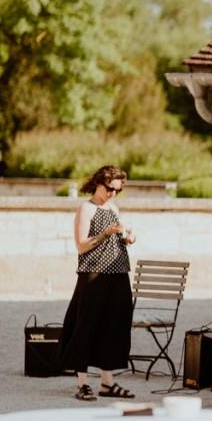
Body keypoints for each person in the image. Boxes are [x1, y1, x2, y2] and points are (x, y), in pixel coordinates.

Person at [60, 165, 137, 402]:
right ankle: (82, 383)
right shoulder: (86, 208)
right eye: (110, 189)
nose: (113, 194)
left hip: (118, 272)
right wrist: (105, 233)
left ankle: (107, 382)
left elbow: (121, 236)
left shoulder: (113, 207)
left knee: (114, 326)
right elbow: (81, 245)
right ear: (99, 184)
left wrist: (128, 236)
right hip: (93, 273)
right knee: (86, 325)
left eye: (117, 191)